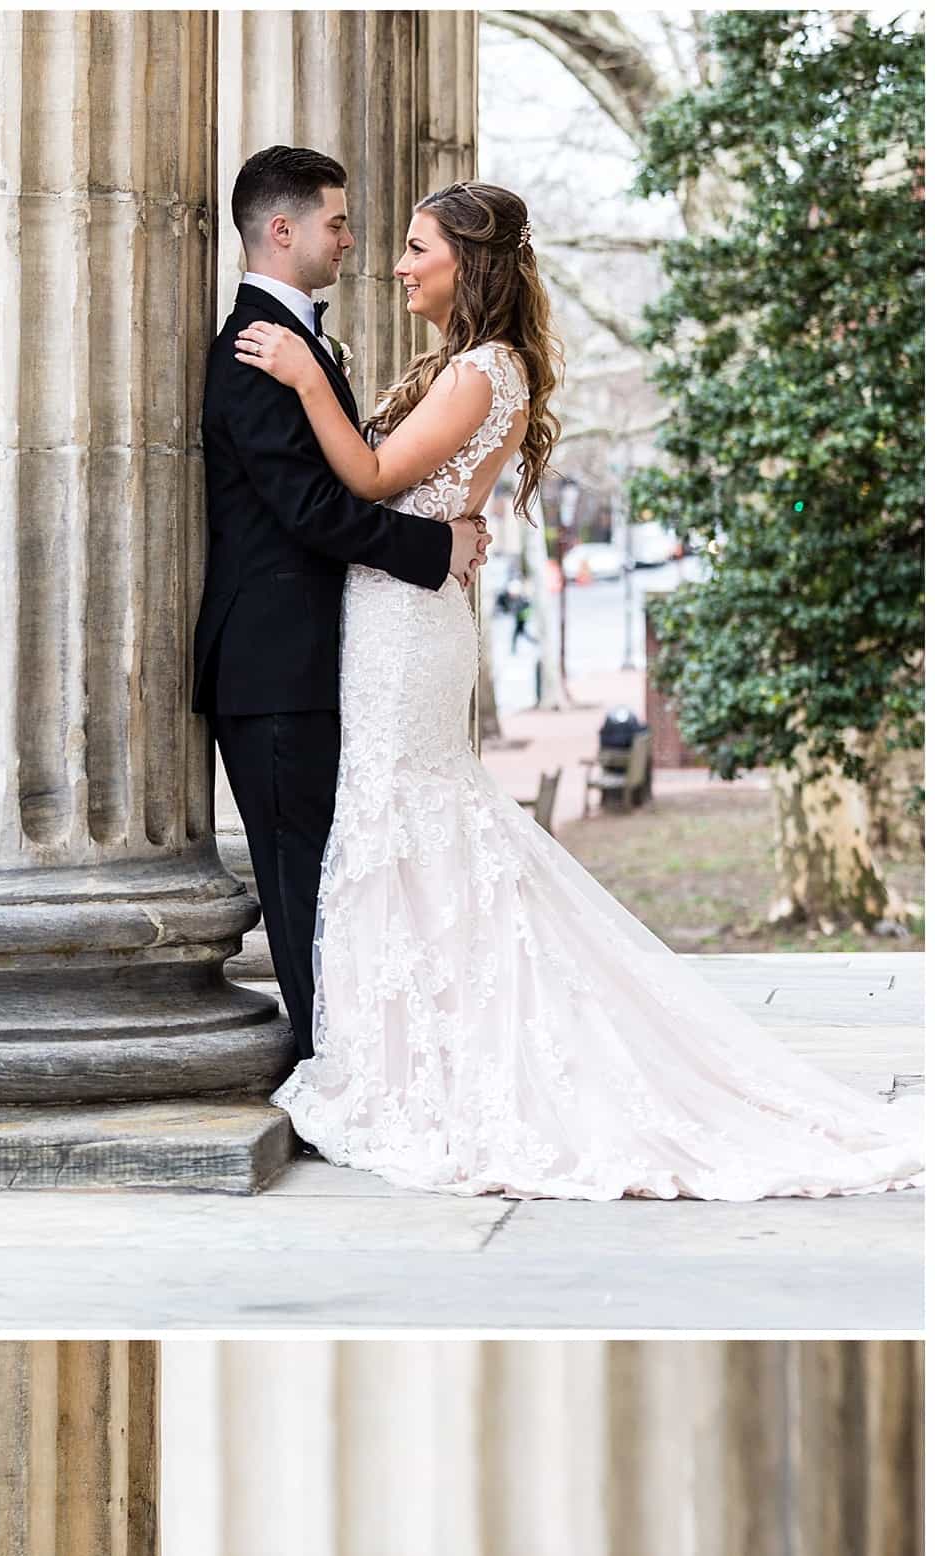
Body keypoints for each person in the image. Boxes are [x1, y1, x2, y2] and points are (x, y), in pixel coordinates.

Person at [226, 169, 922, 1198]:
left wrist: (302, 378)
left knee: (413, 818)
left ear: (466, 262)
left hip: (407, 629)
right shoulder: (462, 366)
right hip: (389, 616)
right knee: (403, 827)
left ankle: (425, 1058)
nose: (398, 262)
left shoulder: (482, 371)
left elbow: (371, 483)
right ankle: (407, 1044)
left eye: (418, 247)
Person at [192, 147, 489, 1071]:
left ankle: (359, 1069)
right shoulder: (253, 349)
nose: (352, 240)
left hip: (314, 659)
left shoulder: (303, 346)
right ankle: (337, 1078)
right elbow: (313, 510)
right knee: (298, 887)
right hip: (272, 664)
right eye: (337, 222)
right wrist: (433, 551)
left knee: (331, 880)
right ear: (282, 232)